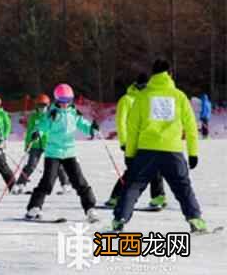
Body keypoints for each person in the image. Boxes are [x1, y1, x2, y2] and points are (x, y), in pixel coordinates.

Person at [113, 59, 206, 232]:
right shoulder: (179, 96)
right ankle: (195, 219)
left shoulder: (143, 96)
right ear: (169, 74)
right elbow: (191, 127)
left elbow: (133, 128)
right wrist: (193, 153)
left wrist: (129, 154)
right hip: (173, 151)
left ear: (153, 75)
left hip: (147, 150)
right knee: (183, 187)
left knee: (133, 186)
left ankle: (120, 219)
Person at [25, 84, 99, 222]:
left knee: (79, 181)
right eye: (61, 101)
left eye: (67, 101)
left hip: (69, 152)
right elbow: (42, 125)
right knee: (47, 182)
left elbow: (82, 124)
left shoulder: (73, 112)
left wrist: (91, 129)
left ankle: (90, 208)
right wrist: (37, 133)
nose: (65, 104)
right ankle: (34, 207)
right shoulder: (52, 113)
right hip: (53, 153)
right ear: (57, 100)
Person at [105, 73, 167, 210]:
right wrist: (124, 142)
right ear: (137, 85)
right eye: (144, 86)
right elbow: (121, 122)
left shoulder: (149, 99)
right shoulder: (127, 100)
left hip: (149, 141)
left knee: (155, 167)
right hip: (133, 143)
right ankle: (116, 197)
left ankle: (158, 197)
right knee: (133, 171)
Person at [12, 93, 71, 195]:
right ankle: (20, 184)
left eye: (44, 105)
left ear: (48, 105)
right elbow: (29, 131)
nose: (41, 108)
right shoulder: (33, 117)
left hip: (49, 144)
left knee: (57, 165)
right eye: (39, 106)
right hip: (35, 144)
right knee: (31, 165)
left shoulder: (52, 115)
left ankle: (65, 184)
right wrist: (27, 144)